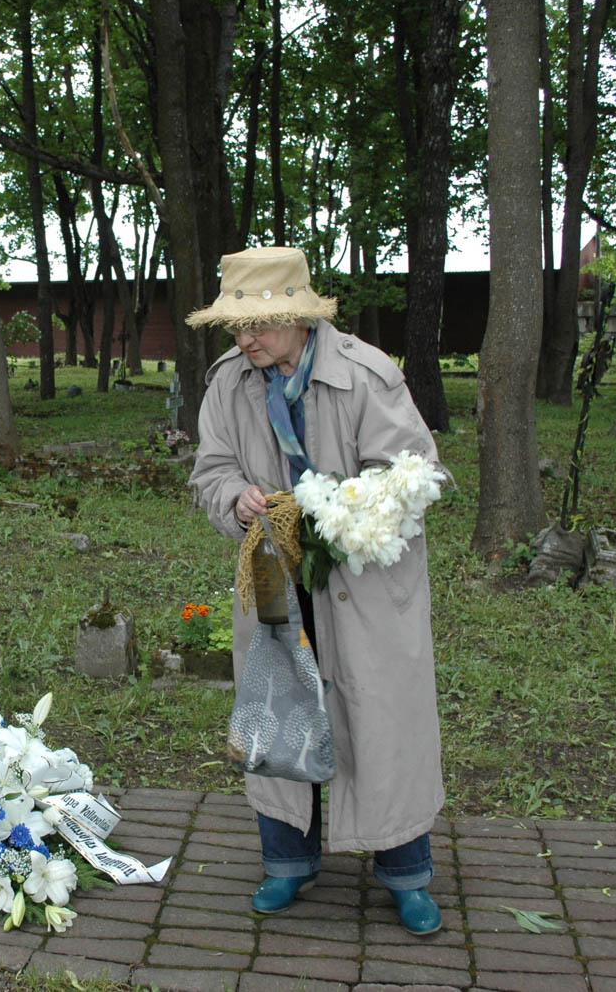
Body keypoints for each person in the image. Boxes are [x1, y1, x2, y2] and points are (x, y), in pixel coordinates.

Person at [187, 246, 446, 936]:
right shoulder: (228, 382)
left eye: (258, 325)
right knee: (278, 706)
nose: (245, 340)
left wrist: (346, 508)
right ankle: (288, 862)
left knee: (381, 716)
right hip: (275, 571)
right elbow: (211, 469)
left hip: (364, 584)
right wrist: (234, 498)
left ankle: (406, 874)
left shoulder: (367, 374)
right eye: (236, 325)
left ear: (300, 317)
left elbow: (414, 470)